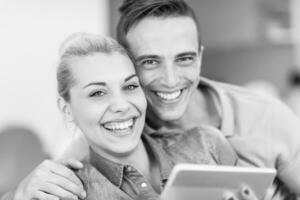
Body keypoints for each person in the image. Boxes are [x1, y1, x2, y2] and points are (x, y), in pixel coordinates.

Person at [3, 0, 300, 199]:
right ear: (128, 64)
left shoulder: (264, 118)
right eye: (149, 61)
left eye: (184, 58)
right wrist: (21, 192)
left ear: (200, 57)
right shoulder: (111, 133)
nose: (170, 80)